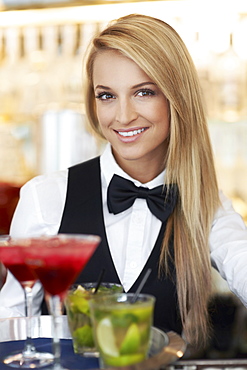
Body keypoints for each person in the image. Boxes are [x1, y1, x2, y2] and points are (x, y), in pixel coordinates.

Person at [1, 14, 247, 349]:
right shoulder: (45, 197)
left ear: (177, 98)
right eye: (107, 95)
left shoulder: (207, 204)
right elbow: (11, 325)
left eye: (144, 92)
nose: (123, 115)